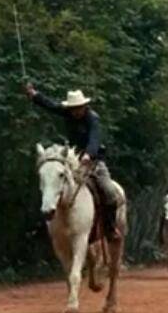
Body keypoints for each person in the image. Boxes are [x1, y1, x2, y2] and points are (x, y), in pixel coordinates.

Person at [25, 83, 120, 239]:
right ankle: (46, 225)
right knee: (52, 183)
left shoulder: (92, 118)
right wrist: (34, 95)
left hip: (94, 161)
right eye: (73, 108)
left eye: (78, 108)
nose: (75, 111)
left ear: (84, 106)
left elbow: (95, 138)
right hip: (72, 158)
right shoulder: (68, 112)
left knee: (109, 191)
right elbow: (51, 105)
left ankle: (110, 227)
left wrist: (89, 154)